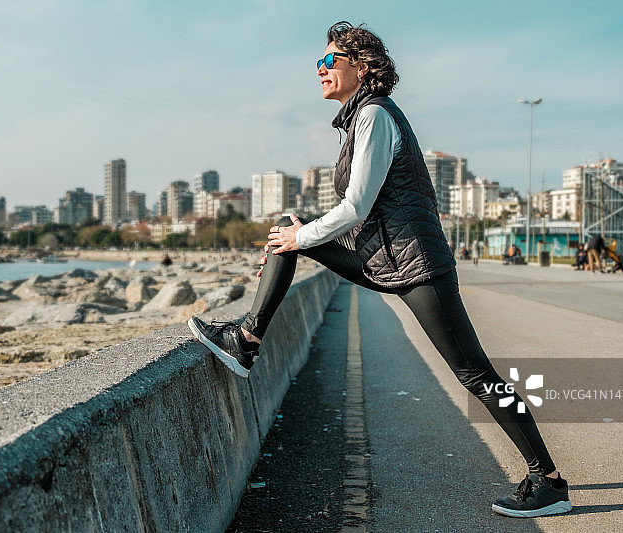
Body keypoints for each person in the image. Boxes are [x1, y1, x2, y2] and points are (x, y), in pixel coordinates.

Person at [188, 21, 570, 518]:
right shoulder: (357, 120)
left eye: (330, 60)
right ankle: (246, 340)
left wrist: (303, 237)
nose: (320, 69)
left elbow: (356, 206)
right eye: (319, 62)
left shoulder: (374, 115)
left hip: (418, 266)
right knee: (287, 229)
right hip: (384, 260)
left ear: (362, 66)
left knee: (476, 374)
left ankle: (549, 482)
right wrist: (298, 237)